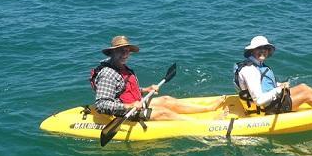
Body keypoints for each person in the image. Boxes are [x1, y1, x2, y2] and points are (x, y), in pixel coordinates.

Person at [92, 35, 226, 121]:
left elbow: (122, 88)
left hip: (135, 104)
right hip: (125, 112)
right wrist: (129, 106)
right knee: (163, 112)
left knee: (167, 100)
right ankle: (204, 123)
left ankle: (209, 108)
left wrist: (145, 89)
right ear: (113, 52)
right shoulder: (107, 74)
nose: (125, 54)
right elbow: (101, 104)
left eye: (127, 50)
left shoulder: (121, 67)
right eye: (121, 50)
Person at [233, 35, 312, 114]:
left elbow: (262, 84)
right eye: (259, 48)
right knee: (307, 96)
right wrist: (278, 90)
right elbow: (259, 100)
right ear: (252, 51)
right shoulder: (250, 70)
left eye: (266, 48)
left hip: (270, 101)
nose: (263, 51)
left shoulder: (257, 65)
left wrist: (277, 84)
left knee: (303, 87)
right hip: (265, 109)